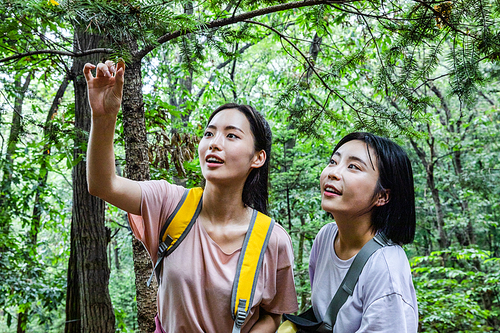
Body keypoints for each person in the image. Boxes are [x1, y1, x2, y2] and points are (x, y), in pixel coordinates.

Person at [83, 60, 298, 332]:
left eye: (231, 136)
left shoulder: (272, 240)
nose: (214, 143)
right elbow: (103, 184)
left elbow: (273, 314)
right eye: (209, 133)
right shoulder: (170, 203)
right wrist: (103, 117)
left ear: (258, 157)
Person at [309, 132, 418, 332]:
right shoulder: (326, 237)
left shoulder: (385, 268)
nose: (333, 173)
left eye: (353, 167)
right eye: (333, 161)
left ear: (382, 196)